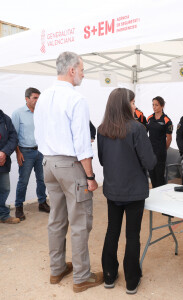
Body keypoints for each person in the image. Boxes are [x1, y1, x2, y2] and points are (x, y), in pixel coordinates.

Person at [34, 51, 103, 293]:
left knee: (56, 219)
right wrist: (91, 177)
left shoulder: (42, 98)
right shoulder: (76, 99)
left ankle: (57, 269)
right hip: (70, 165)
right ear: (72, 70)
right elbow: (82, 143)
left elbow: (39, 134)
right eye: (82, 69)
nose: (84, 73)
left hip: (48, 163)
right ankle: (82, 276)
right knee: (80, 221)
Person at [98, 88, 156, 294]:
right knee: (132, 235)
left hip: (113, 189)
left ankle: (109, 275)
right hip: (133, 191)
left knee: (112, 231)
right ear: (124, 104)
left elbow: (103, 159)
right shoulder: (137, 128)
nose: (135, 106)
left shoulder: (102, 129)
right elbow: (150, 161)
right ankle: (131, 280)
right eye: (132, 102)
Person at [11, 87, 49, 221]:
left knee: (42, 179)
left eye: (39, 98)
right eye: (35, 98)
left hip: (40, 151)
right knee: (23, 181)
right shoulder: (18, 113)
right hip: (25, 152)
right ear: (27, 99)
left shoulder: (41, 112)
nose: (37, 100)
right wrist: (18, 153)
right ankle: (19, 207)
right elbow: (13, 135)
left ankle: (42, 202)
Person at [147, 96, 173, 187]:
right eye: (153, 105)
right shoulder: (149, 118)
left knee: (159, 178)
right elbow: (145, 134)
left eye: (156, 105)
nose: (154, 107)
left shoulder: (167, 120)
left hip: (160, 153)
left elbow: (169, 138)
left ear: (162, 106)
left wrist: (163, 149)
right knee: (152, 176)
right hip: (150, 152)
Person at [0, 109, 19, 224]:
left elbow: (13, 138)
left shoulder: (5, 119)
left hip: (3, 161)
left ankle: (3, 215)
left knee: (4, 189)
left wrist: (4, 153)